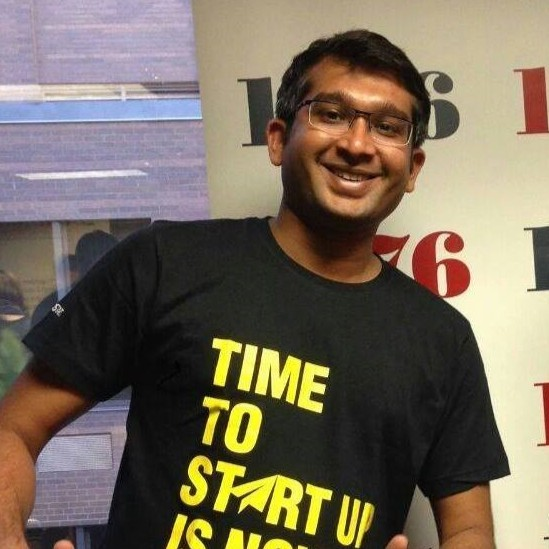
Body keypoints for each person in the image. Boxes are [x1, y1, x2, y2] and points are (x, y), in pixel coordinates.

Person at [0, 29, 509, 549]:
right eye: (332, 114)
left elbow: (469, 528)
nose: (357, 144)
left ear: (412, 168)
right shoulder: (165, 262)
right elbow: (13, 429)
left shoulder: (442, 340)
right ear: (277, 139)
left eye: (387, 127)